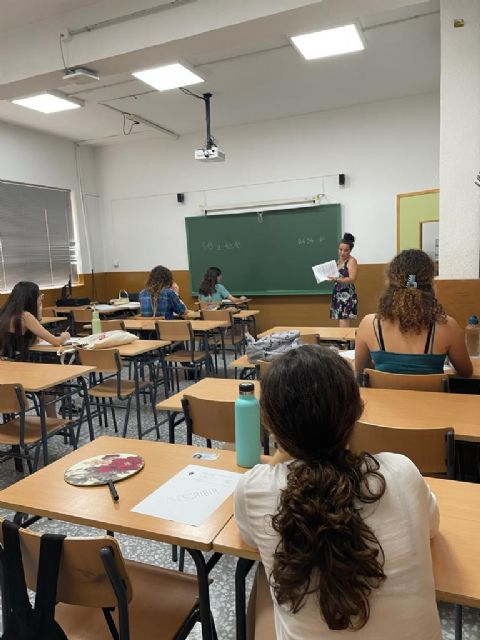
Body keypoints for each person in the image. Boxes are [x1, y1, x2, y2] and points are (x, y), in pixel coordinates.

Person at [234, 345, 441, 639]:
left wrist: (287, 443)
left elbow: (249, 538)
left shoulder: (254, 489)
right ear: (357, 411)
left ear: (270, 426)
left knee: (264, 574)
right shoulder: (401, 471)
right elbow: (431, 528)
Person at [355, 249, 472, 377]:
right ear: (431, 284)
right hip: (433, 397)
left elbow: (361, 371)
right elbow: (466, 372)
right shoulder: (448, 325)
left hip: (383, 397)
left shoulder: (369, 324)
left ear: (390, 282)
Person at [0, 281, 70, 360]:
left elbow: (35, 338)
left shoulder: (4, 313)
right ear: (31, 299)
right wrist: (64, 336)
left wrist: (39, 306)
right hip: (16, 362)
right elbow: (56, 342)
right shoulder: (25, 316)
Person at [329, 232, 358, 328]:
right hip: (338, 293)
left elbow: (352, 278)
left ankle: (345, 342)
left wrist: (337, 279)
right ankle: (343, 342)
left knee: (344, 321)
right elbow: (337, 278)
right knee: (340, 320)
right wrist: (331, 279)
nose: (342, 252)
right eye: (340, 249)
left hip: (346, 295)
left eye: (346, 250)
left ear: (350, 250)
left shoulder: (351, 261)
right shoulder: (339, 261)